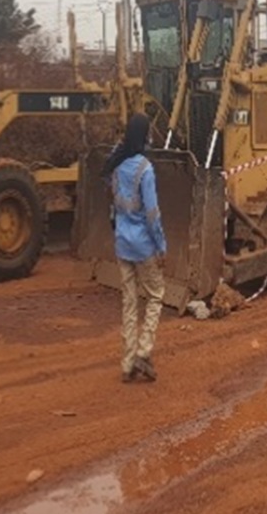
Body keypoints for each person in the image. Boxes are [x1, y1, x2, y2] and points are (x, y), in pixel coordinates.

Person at [101, 113, 167, 382]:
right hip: (143, 245)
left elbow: (112, 196)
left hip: (122, 243)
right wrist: (161, 246)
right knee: (155, 295)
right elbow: (152, 213)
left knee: (129, 302)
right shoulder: (145, 170)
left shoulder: (117, 166)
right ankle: (144, 351)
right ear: (145, 136)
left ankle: (128, 363)